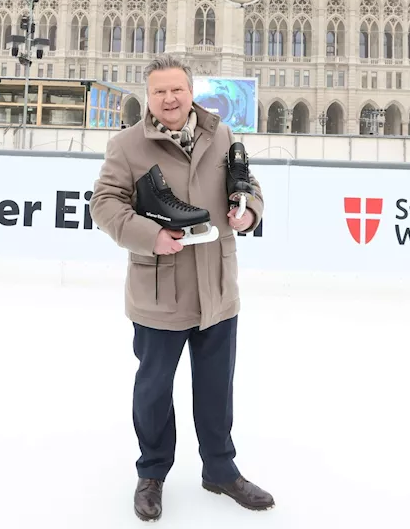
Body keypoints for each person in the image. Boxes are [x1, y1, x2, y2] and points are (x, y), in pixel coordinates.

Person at [89, 55, 274, 522]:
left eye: (176, 90)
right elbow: (104, 203)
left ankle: (220, 470)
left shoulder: (223, 134)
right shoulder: (127, 145)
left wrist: (248, 210)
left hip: (216, 289)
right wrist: (149, 236)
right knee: (153, 390)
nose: (169, 99)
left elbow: (247, 183)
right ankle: (151, 473)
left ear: (190, 91)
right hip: (159, 292)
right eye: (158, 92)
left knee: (216, 388)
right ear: (148, 97)